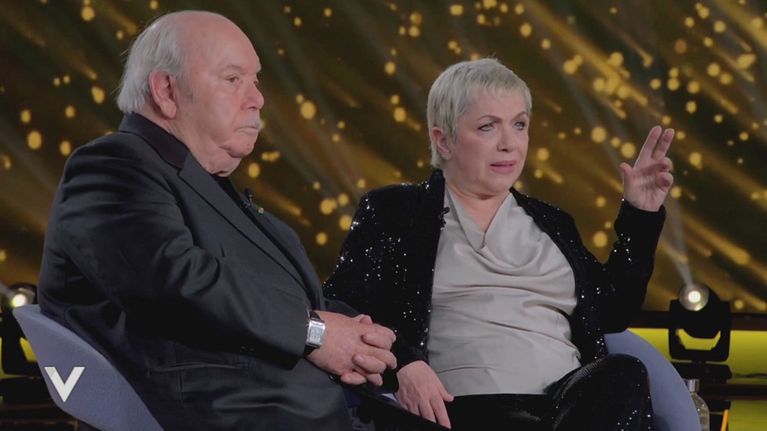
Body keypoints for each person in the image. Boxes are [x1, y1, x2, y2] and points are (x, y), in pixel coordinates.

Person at [37, 10, 397, 431]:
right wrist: (314, 332)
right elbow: (174, 282)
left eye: (256, 80)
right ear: (166, 90)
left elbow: (296, 297)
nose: (257, 98)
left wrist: (379, 350)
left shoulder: (208, 187)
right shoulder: (114, 165)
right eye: (233, 78)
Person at [324, 58, 674, 431]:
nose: (509, 144)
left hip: (568, 407)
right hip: (463, 407)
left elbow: (613, 311)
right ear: (444, 141)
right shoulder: (396, 211)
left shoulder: (554, 223)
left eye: (519, 125)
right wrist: (404, 364)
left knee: (624, 373)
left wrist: (640, 214)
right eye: (488, 127)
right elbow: (344, 307)